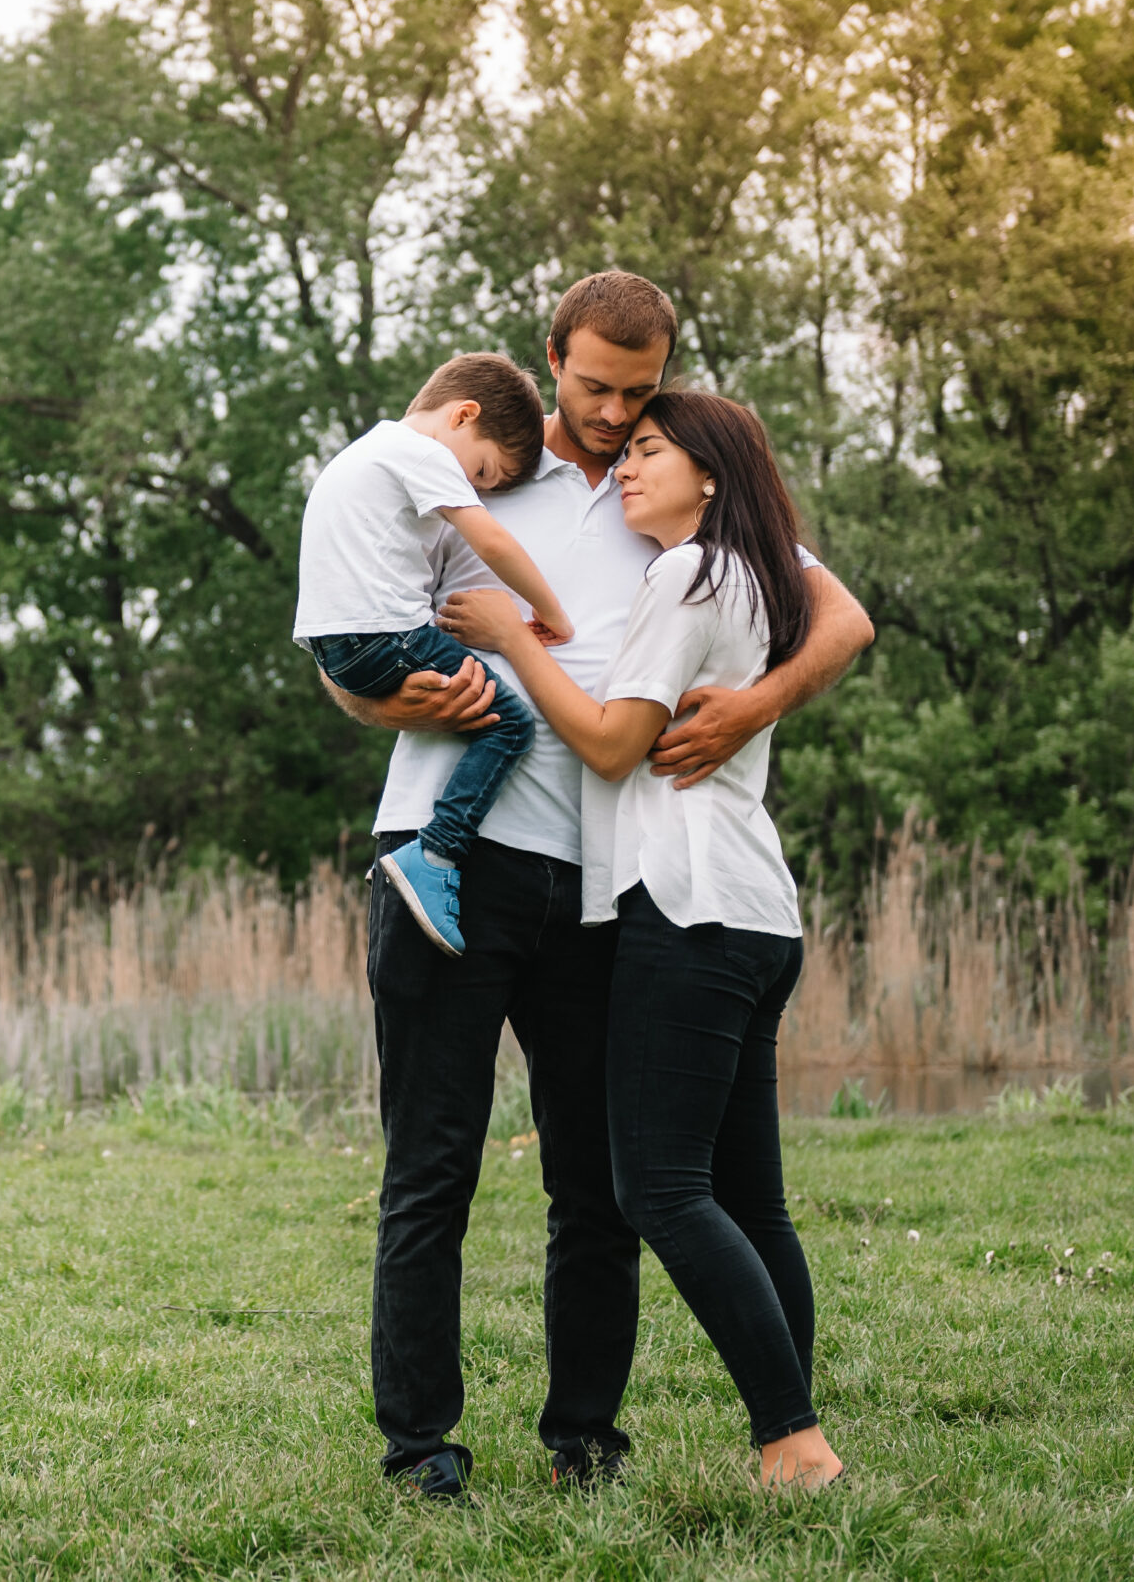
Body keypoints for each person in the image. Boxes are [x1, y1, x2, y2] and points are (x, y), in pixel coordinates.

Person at [320, 272, 874, 1499]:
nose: (618, 416)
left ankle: (583, 1435)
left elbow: (839, 618)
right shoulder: (473, 469)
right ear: (551, 359)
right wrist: (376, 694)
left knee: (598, 1179)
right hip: (446, 852)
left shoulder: (668, 480)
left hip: (595, 881)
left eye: (638, 390)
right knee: (432, 1166)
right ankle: (421, 1447)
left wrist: (753, 706)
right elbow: (353, 636)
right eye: (594, 387)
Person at [439, 389, 849, 1488]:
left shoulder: (684, 568)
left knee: (658, 1189)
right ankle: (791, 1425)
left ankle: (793, 1437)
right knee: (749, 1197)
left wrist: (514, 639)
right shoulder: (755, 576)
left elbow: (615, 747)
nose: (627, 460)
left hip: (682, 904)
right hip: (757, 910)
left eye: (652, 448)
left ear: (709, 473)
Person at [294, 354, 573, 955]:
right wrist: (550, 613)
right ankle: (435, 853)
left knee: (484, 712)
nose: (473, 489)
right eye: (481, 472)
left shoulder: (361, 453)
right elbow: (493, 541)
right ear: (463, 416)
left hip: (333, 648)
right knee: (512, 727)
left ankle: (413, 862)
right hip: (385, 636)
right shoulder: (423, 452)